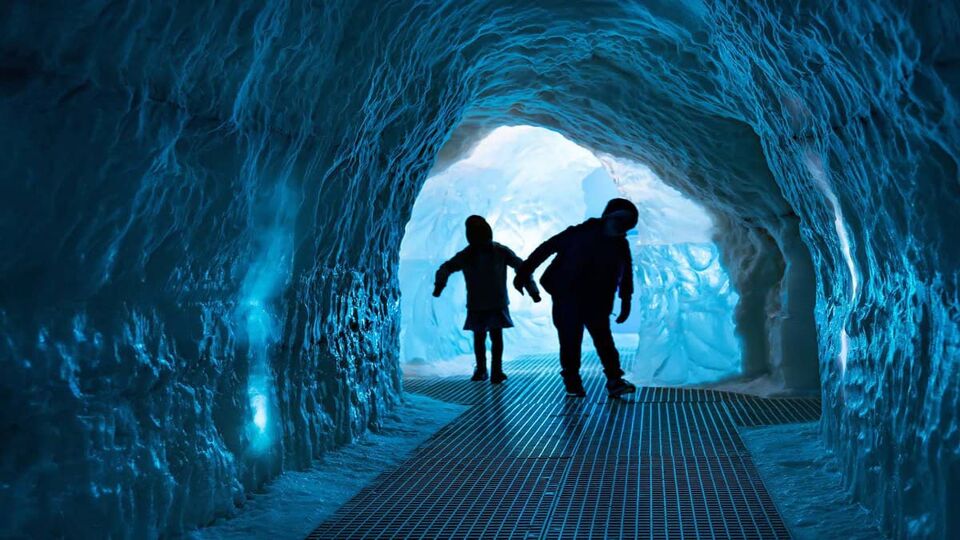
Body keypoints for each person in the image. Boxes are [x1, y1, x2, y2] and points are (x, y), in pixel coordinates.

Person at [513, 198, 639, 398]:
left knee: (603, 341)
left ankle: (614, 380)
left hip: (596, 300)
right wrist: (524, 272)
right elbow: (547, 248)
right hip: (568, 295)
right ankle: (573, 381)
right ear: (608, 217)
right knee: (571, 340)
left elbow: (627, 272)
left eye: (626, 222)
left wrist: (626, 300)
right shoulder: (580, 233)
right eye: (619, 219)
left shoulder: (619, 244)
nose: (621, 225)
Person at [433, 215, 541, 383]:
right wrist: (533, 290)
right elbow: (522, 267)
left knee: (479, 337)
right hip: (497, 301)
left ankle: (482, 370)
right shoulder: (500, 251)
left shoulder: (466, 254)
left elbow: (446, 268)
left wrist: (439, 285)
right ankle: (496, 371)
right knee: (496, 337)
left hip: (477, 303)